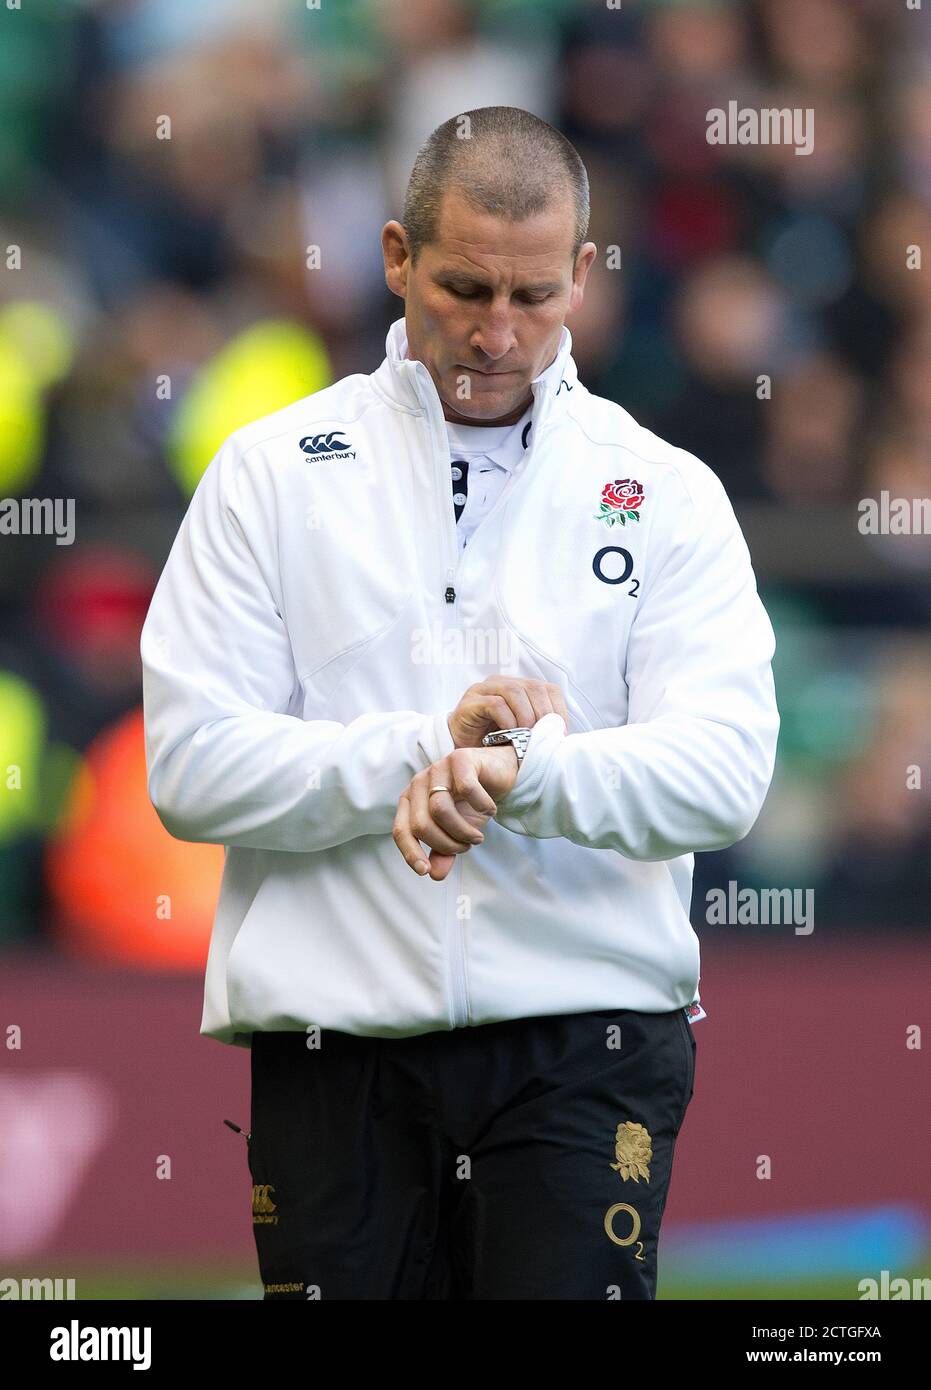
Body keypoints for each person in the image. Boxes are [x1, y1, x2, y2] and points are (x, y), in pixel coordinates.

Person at [140, 106, 780, 1299]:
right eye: (464, 287)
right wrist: (418, 754)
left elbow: (724, 772)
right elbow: (189, 766)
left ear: (584, 275)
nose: (497, 332)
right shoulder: (267, 474)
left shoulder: (669, 493)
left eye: (534, 296)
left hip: (588, 1038)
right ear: (395, 256)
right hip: (333, 1045)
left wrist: (519, 777)